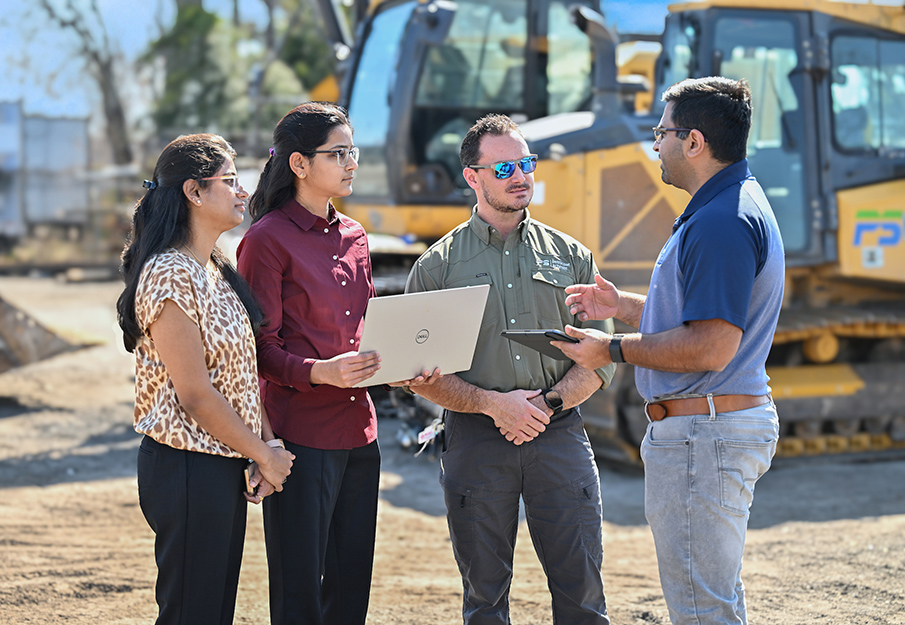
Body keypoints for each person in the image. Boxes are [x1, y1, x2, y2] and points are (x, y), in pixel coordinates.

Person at [557, 77, 785, 625]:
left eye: (660, 133)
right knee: (714, 599)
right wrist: (627, 304)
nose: (654, 144)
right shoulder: (729, 204)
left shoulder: (720, 222)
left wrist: (609, 348)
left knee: (701, 610)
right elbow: (700, 316)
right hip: (710, 430)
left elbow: (710, 345)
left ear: (694, 142)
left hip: (702, 436)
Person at [404, 113, 616, 625]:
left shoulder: (573, 257)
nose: (520, 177)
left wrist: (547, 405)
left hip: (558, 434)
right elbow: (419, 372)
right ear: (471, 178)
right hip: (476, 441)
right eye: (504, 168)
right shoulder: (437, 267)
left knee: (583, 593)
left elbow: (601, 354)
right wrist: (492, 404)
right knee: (485, 600)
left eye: (526, 164)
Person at [236, 102, 437, 625]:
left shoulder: (355, 235)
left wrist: (406, 360)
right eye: (339, 153)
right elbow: (258, 349)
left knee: (351, 585)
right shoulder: (265, 240)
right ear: (299, 164)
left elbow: (368, 329)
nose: (352, 162)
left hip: (359, 432)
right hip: (300, 437)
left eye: (354, 151)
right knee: (299, 589)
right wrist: (319, 370)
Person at [116, 133, 295, 625]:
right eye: (231, 181)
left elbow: (239, 373)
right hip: (184, 468)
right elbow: (195, 393)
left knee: (212, 612)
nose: (243, 192)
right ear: (194, 192)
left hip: (220, 464)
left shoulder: (214, 268)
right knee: (190, 613)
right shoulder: (170, 273)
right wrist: (264, 455)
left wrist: (264, 443)